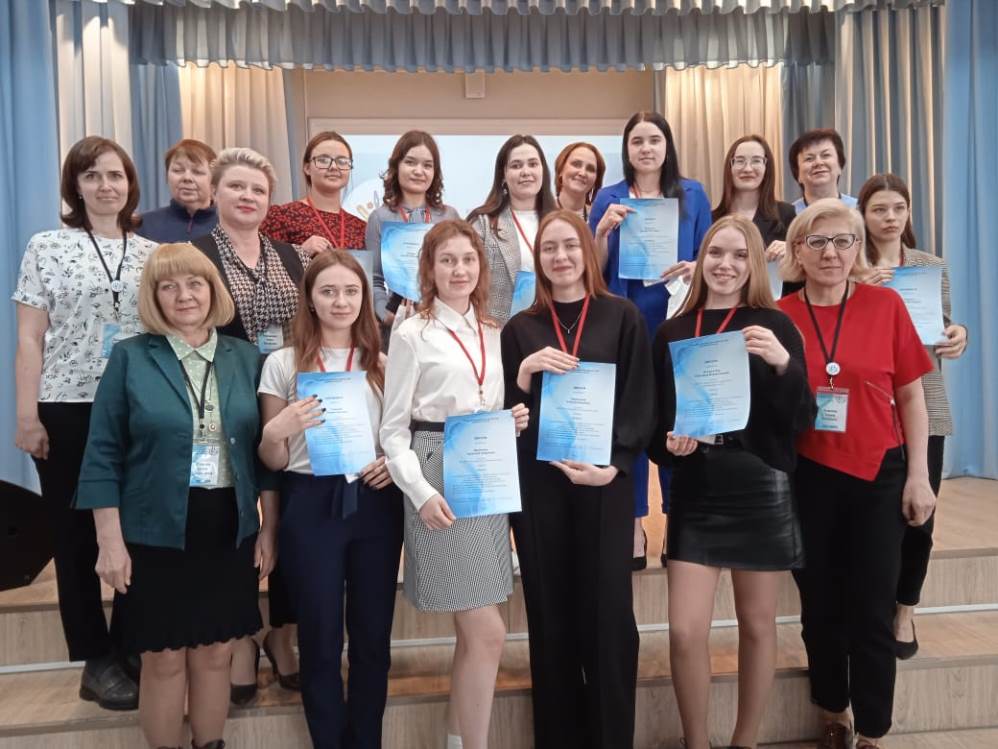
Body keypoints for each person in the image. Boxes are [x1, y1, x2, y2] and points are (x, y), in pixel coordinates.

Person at [75, 242, 276, 749]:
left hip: (227, 525)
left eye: (194, 283)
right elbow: (101, 454)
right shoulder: (130, 357)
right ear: (154, 296)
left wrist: (268, 529)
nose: (184, 295)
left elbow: (263, 453)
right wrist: (109, 542)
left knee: (216, 653)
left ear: (213, 290)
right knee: (163, 660)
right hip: (154, 530)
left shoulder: (245, 358)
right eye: (169, 286)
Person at [648, 215, 815, 749]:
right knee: (684, 631)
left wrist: (784, 365)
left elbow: (802, 419)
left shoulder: (774, 325)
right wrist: (669, 444)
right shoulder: (674, 331)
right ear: (701, 260)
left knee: (758, 625)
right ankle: (696, 741)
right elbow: (656, 425)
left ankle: (745, 741)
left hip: (760, 485)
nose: (726, 265)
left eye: (739, 255)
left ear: (755, 263)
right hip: (697, 489)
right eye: (716, 253)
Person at [777, 199, 934, 749]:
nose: (831, 253)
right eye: (817, 242)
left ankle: (872, 730)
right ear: (797, 251)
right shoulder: (780, 317)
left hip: (878, 474)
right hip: (806, 478)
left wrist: (919, 476)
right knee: (820, 605)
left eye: (844, 241)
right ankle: (832, 708)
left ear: (858, 248)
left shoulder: (886, 305)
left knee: (871, 606)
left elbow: (911, 397)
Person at [499, 210, 654, 747]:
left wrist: (615, 465)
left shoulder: (621, 316)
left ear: (587, 251)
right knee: (550, 616)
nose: (560, 256)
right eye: (549, 248)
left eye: (569, 245)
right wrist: (523, 375)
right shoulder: (520, 329)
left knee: (609, 618)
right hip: (539, 488)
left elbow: (640, 398)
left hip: (604, 484)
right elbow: (505, 416)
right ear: (537, 259)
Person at [13, 136, 158, 710]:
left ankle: (129, 643)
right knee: (74, 535)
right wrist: (27, 414)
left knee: (137, 530)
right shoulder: (47, 247)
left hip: (139, 406)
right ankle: (94, 659)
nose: (106, 186)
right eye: (92, 175)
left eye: (115, 175)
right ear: (75, 185)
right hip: (67, 406)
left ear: (130, 183)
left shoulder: (151, 253)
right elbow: (30, 337)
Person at [379, 220, 529, 749]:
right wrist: (420, 493)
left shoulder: (492, 329)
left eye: (468, 259)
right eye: (447, 260)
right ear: (429, 269)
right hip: (436, 474)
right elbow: (392, 431)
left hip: (485, 473)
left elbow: (485, 401)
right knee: (488, 631)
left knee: (475, 635)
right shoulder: (411, 333)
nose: (459, 269)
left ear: (480, 267)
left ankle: (457, 740)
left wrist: (509, 420)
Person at [257, 251, 403, 748]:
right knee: (319, 637)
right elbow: (273, 458)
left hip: (374, 499)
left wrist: (391, 461)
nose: (341, 301)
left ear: (364, 298)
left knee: (372, 636)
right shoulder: (282, 363)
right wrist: (275, 431)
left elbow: (399, 436)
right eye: (328, 291)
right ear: (310, 299)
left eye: (351, 291)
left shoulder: (381, 363)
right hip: (311, 500)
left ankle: (366, 740)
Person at [190, 146, 306, 702]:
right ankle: (240, 635)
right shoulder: (193, 254)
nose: (247, 196)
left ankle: (281, 630)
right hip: (222, 398)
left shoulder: (290, 254)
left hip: (287, 396)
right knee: (236, 514)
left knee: (290, 511)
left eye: (258, 189)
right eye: (236, 186)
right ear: (215, 192)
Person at [589, 111, 713, 569]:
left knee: (679, 421)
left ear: (667, 146)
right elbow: (594, 267)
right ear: (627, 149)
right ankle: (635, 524)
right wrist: (602, 231)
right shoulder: (609, 196)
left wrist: (695, 267)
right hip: (628, 322)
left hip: (678, 317)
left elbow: (710, 256)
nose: (646, 148)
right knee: (633, 423)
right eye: (637, 141)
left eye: (654, 140)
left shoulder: (692, 193)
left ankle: (679, 520)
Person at [856, 173, 969, 659]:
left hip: (926, 401)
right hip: (868, 406)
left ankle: (905, 609)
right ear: (863, 215)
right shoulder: (850, 265)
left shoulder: (929, 266)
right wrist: (859, 290)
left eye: (898, 208)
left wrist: (958, 333)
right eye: (879, 209)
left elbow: (941, 327)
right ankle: (871, 606)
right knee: (873, 518)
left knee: (920, 514)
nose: (890, 218)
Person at [364, 130, 460, 329]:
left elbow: (459, 270)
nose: (419, 171)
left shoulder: (449, 216)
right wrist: (386, 315)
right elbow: (374, 280)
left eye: (427, 165)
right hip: (397, 324)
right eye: (410, 162)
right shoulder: (379, 218)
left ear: (435, 172)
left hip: (442, 321)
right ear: (396, 166)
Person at [467, 134, 556, 325]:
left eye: (533, 164)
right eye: (516, 166)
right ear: (503, 175)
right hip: (497, 329)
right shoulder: (482, 223)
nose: (526, 171)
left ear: (543, 170)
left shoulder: (561, 222)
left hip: (552, 326)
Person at [261, 131, 367, 256]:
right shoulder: (281, 216)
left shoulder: (361, 228)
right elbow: (263, 264)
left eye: (342, 161)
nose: (333, 167)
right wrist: (301, 252)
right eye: (323, 160)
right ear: (307, 168)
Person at [712, 135, 796, 259]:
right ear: (730, 167)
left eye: (756, 161)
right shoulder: (712, 219)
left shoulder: (786, 214)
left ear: (766, 167)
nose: (747, 169)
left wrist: (791, 250)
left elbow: (802, 260)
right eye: (740, 161)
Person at [140, 139, 219, 243]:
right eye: (178, 170)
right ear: (167, 177)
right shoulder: (143, 225)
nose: (187, 178)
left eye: (197, 172)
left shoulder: (229, 225)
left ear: (214, 181)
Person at [787, 129, 857, 214]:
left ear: (840, 165)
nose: (818, 163)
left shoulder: (858, 210)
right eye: (809, 158)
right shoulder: (789, 216)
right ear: (797, 174)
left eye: (825, 155)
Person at [552, 142, 606, 222]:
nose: (583, 173)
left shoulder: (600, 218)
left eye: (590, 169)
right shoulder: (540, 213)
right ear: (561, 170)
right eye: (576, 164)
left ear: (596, 180)